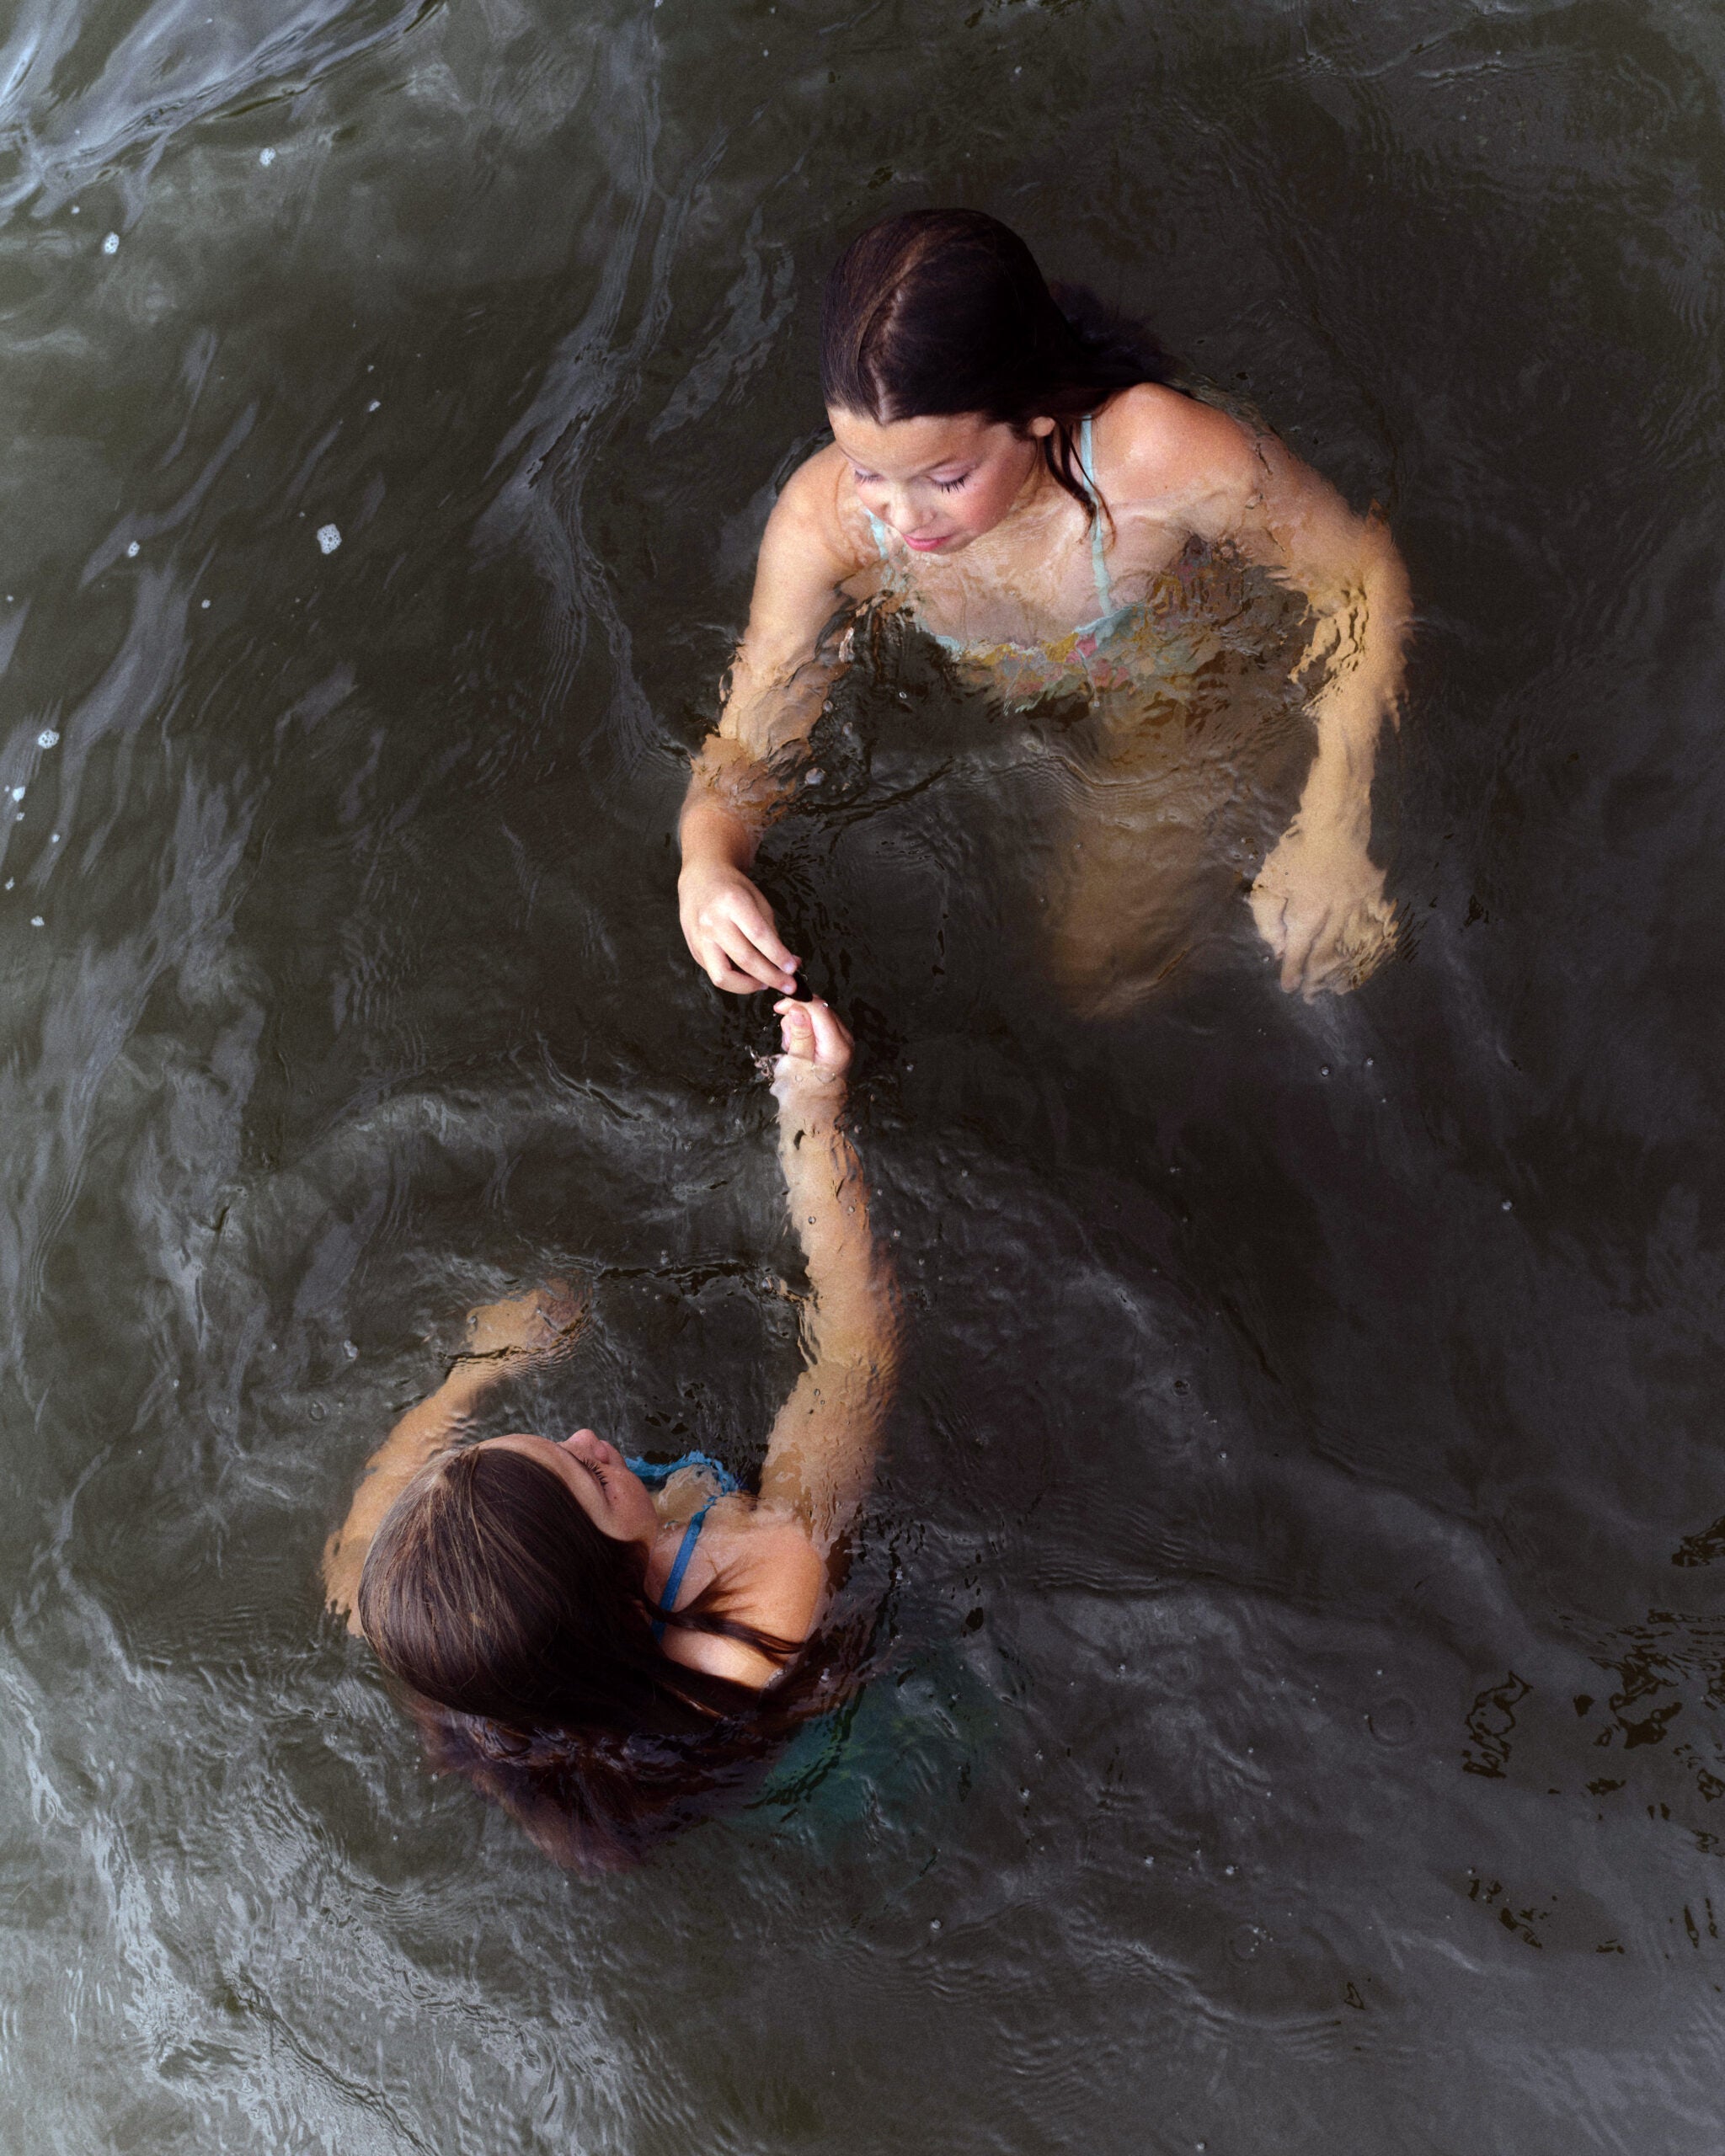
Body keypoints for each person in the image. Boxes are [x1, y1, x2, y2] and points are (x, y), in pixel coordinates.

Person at [677, 208, 1412, 1008]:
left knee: (1099, 975)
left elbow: (1361, 579)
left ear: (1036, 416)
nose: (901, 515)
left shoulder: (1157, 460)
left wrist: (1335, 824)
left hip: (1176, 682)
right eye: (865, 468)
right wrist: (708, 860)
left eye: (946, 479)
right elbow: (757, 716)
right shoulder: (828, 523)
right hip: (1010, 714)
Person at [321, 997, 898, 1868]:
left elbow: (363, 1542)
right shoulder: (761, 1589)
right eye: (589, 1474)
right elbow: (856, 1353)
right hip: (786, 1763)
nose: (590, 1436)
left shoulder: (424, 1622)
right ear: (616, 1593)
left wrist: (478, 1368)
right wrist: (813, 1114)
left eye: (556, 1445)